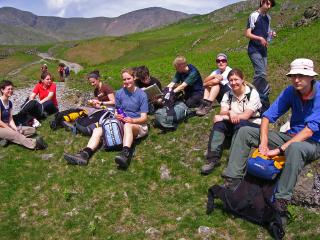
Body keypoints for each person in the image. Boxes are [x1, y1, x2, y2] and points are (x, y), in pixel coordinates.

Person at [222, 58, 320, 223]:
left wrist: (280, 149)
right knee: (246, 131)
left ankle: (281, 201)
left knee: (294, 148)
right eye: (294, 75)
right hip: (290, 135)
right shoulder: (291, 91)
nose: (296, 79)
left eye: (301, 76)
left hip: (313, 141)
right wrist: (264, 142)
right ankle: (233, 181)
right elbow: (267, 116)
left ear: (311, 77)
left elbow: (309, 130)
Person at [64, 68, 148, 169]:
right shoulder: (120, 93)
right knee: (97, 130)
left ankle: (125, 154)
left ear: (134, 78)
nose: (126, 82)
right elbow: (117, 109)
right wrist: (117, 115)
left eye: (128, 78)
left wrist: (132, 120)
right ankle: (85, 154)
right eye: (124, 79)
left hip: (137, 125)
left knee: (128, 126)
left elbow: (144, 118)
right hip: (122, 122)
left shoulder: (141, 94)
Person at [201, 69, 262, 175]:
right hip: (235, 122)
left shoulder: (253, 94)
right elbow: (222, 111)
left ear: (243, 80)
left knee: (239, 124)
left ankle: (233, 163)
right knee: (219, 124)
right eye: (231, 80)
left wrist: (225, 117)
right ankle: (212, 158)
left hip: (253, 124)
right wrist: (230, 112)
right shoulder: (228, 94)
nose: (233, 83)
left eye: (236, 80)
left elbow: (246, 116)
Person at [245, 0, 276, 112]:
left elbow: (267, 32)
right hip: (254, 49)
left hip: (263, 50)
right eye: (267, 3)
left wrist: (271, 33)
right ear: (262, 2)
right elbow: (247, 33)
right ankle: (256, 98)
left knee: (261, 74)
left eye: (271, 5)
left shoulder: (268, 17)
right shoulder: (254, 15)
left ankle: (255, 97)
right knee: (261, 73)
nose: (269, 6)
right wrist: (259, 38)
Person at [0, 80, 47, 150]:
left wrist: (15, 128)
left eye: (12, 89)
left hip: (7, 125)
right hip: (1, 128)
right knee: (15, 134)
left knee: (31, 130)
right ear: (2, 90)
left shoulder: (9, 103)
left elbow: (10, 119)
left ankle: (7, 139)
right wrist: (11, 129)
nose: (11, 90)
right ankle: (35, 144)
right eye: (8, 89)